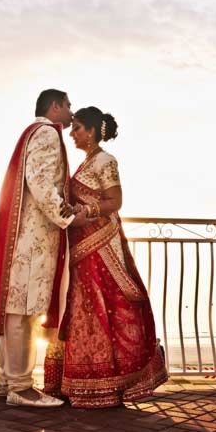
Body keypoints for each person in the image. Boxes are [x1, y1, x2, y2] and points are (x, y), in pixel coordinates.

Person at [43, 106, 168, 408]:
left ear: (91, 131)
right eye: (72, 128)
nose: (72, 134)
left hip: (101, 244)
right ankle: (81, 382)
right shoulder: (86, 162)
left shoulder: (105, 161)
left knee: (106, 305)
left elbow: (116, 200)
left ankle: (107, 384)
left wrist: (86, 211)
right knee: (83, 307)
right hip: (81, 244)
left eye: (76, 128)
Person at [0, 89, 88, 407]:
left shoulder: (31, 133)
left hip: (22, 237)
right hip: (34, 239)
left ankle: (7, 381)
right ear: (55, 106)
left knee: (15, 309)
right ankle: (21, 388)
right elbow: (41, 183)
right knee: (23, 310)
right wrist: (68, 217)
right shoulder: (47, 133)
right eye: (68, 105)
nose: (70, 110)